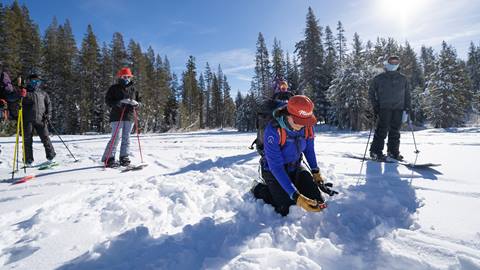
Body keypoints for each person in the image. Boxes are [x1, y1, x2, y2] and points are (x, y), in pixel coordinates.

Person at [252, 95, 336, 216]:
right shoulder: (273, 131)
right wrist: (297, 197)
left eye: (305, 122)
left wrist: (315, 172)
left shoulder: (307, 126)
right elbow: (276, 167)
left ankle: (292, 186)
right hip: (273, 171)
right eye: (298, 122)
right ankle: (259, 189)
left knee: (317, 200)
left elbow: (309, 150)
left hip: (295, 167)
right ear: (288, 115)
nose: (302, 125)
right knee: (287, 208)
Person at [369, 56, 411, 161]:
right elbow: (371, 93)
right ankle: (375, 152)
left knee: (395, 131)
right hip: (384, 108)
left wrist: (407, 108)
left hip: (398, 108)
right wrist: (375, 105)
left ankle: (393, 152)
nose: (394, 64)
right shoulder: (379, 78)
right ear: (387, 64)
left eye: (396, 62)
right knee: (382, 130)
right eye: (391, 62)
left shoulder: (403, 79)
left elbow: (407, 94)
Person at [101, 67, 140, 167]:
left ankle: (124, 157)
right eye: (124, 76)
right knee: (116, 137)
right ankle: (108, 158)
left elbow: (140, 101)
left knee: (126, 138)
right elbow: (108, 101)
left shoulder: (133, 89)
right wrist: (119, 102)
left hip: (129, 116)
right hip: (117, 116)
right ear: (120, 77)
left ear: (130, 77)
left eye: (128, 76)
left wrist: (136, 104)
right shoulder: (114, 88)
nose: (126, 78)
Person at [20, 74, 56, 166]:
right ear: (29, 81)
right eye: (33, 81)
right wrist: (21, 95)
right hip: (28, 120)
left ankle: (51, 157)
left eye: (37, 81)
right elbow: (18, 103)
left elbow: (49, 105)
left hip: (41, 120)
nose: (35, 83)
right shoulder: (25, 92)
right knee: (27, 140)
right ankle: (28, 161)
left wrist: (48, 115)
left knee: (46, 138)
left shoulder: (43, 93)